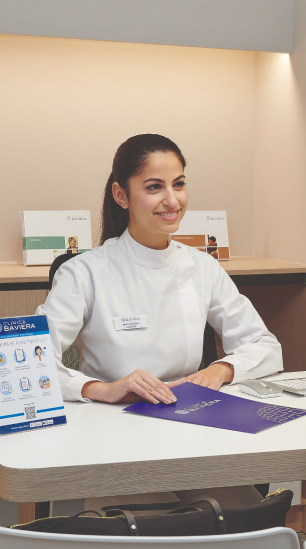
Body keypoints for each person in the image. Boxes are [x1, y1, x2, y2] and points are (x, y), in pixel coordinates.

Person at [36, 133, 282, 404]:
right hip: (109, 418)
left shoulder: (202, 267)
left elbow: (264, 346)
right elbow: (33, 358)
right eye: (154, 187)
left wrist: (221, 369)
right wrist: (102, 389)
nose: (173, 201)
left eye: (178, 185)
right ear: (121, 195)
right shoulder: (83, 273)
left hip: (187, 413)